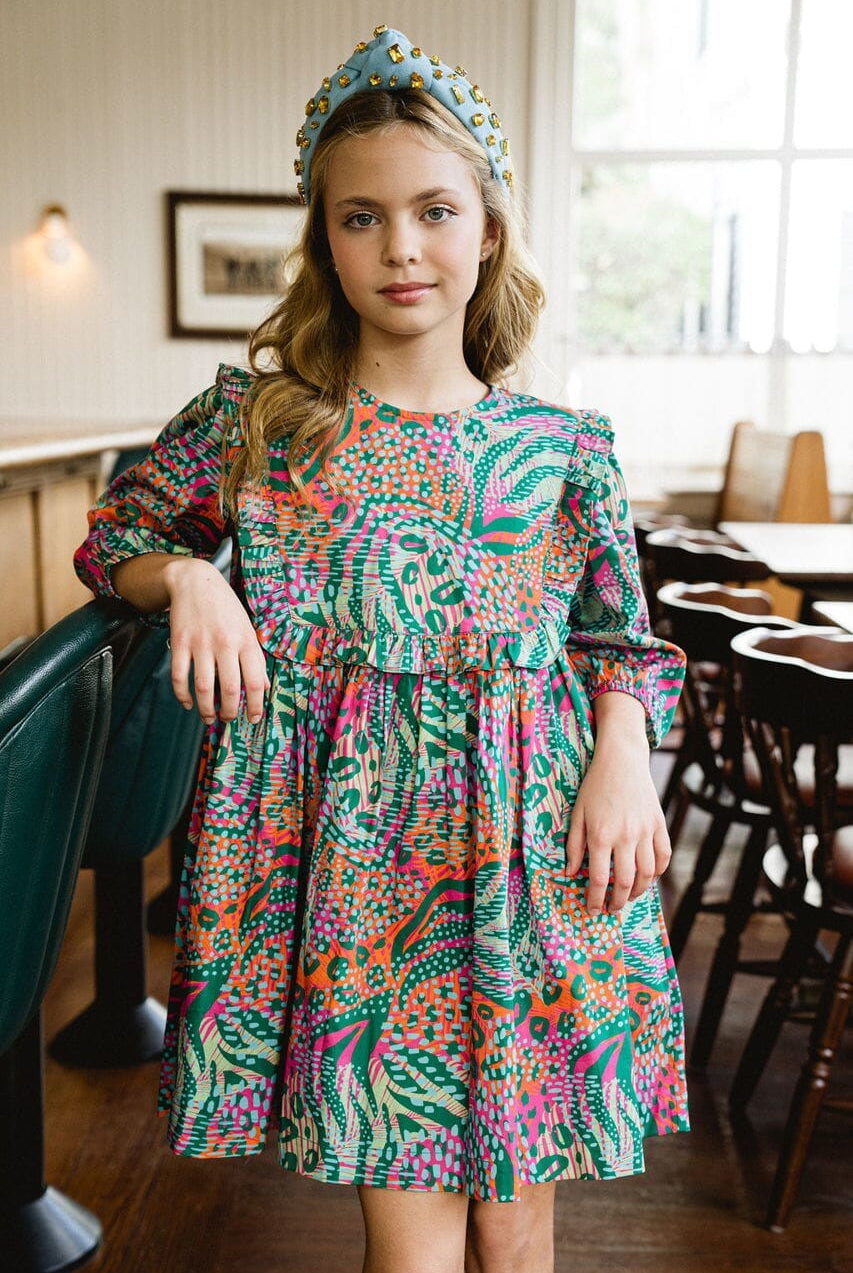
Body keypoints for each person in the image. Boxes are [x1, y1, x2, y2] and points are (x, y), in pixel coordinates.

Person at [74, 25, 689, 1273]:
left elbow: (624, 642)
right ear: (324, 239)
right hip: (355, 870)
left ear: (488, 231)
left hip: (534, 857)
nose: (399, 247)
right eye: (360, 218)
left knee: (516, 1231)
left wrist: (622, 745)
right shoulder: (258, 424)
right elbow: (115, 537)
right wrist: (188, 571)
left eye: (431, 210)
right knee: (409, 1248)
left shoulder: (561, 446)